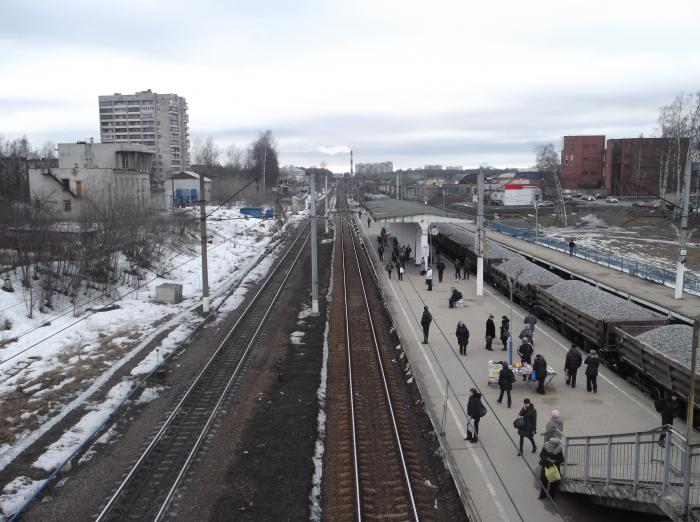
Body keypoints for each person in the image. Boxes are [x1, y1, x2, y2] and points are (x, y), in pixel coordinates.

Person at [538, 436, 565, 501]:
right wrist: (547, 458)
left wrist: (555, 461)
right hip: (546, 466)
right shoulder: (545, 447)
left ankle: (551, 496)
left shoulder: (559, 449)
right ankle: (542, 495)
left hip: (554, 467)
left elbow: (561, 459)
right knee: (544, 481)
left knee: (553, 483)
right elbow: (541, 455)